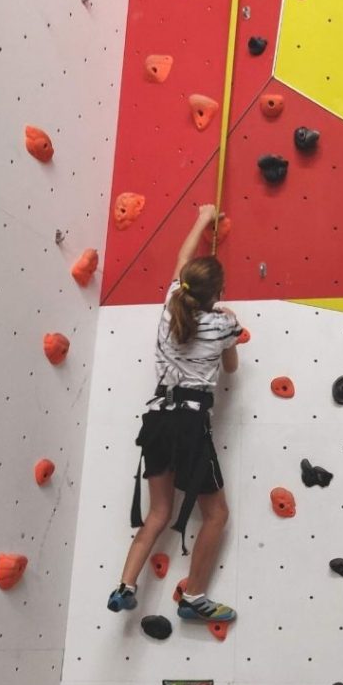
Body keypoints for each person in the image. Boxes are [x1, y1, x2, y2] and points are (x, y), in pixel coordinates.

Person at [107, 204, 240, 624]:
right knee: (216, 513)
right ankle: (194, 596)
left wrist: (203, 217)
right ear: (216, 295)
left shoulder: (169, 306)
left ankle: (126, 584)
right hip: (188, 422)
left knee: (158, 513)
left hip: (157, 420)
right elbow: (232, 369)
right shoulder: (221, 325)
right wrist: (229, 323)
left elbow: (181, 263)